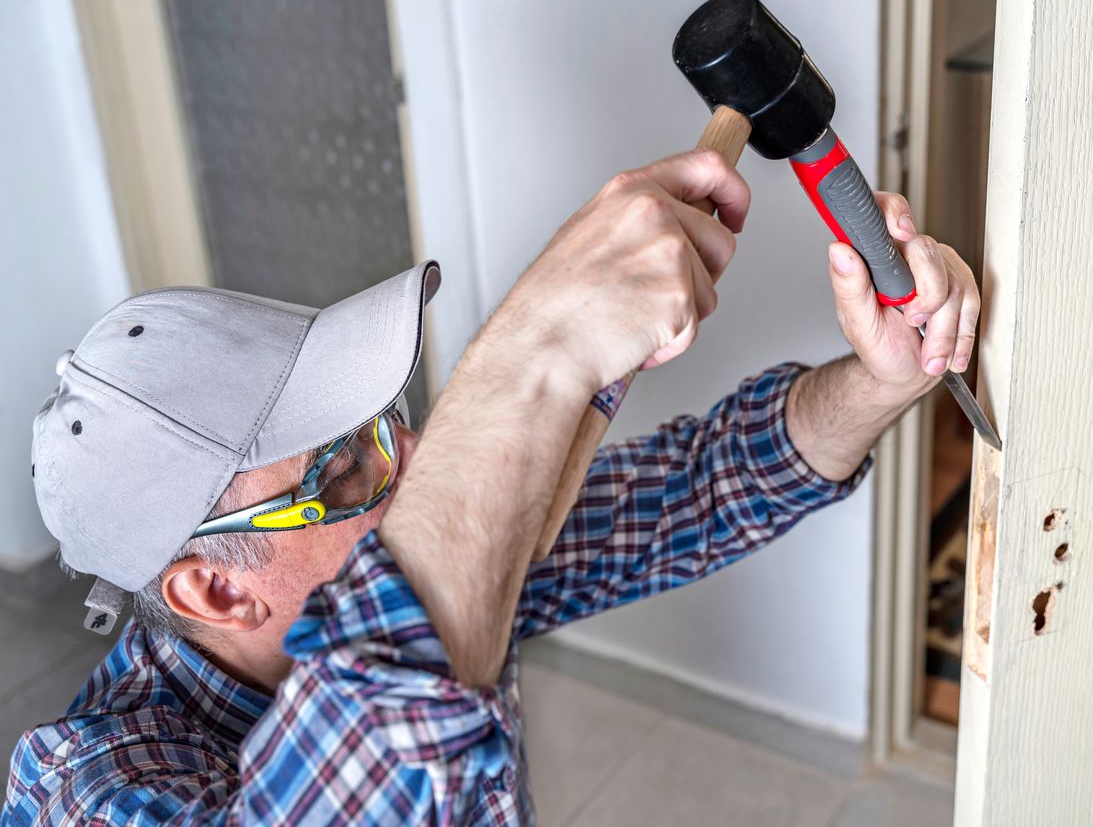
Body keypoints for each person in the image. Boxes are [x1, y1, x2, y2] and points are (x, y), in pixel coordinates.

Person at [4, 150, 978, 825]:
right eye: (345, 467)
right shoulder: (82, 786)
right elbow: (362, 747)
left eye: (384, 427)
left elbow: (698, 489)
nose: (417, 459)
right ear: (214, 589)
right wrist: (538, 344)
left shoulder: (393, 569)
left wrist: (882, 377)